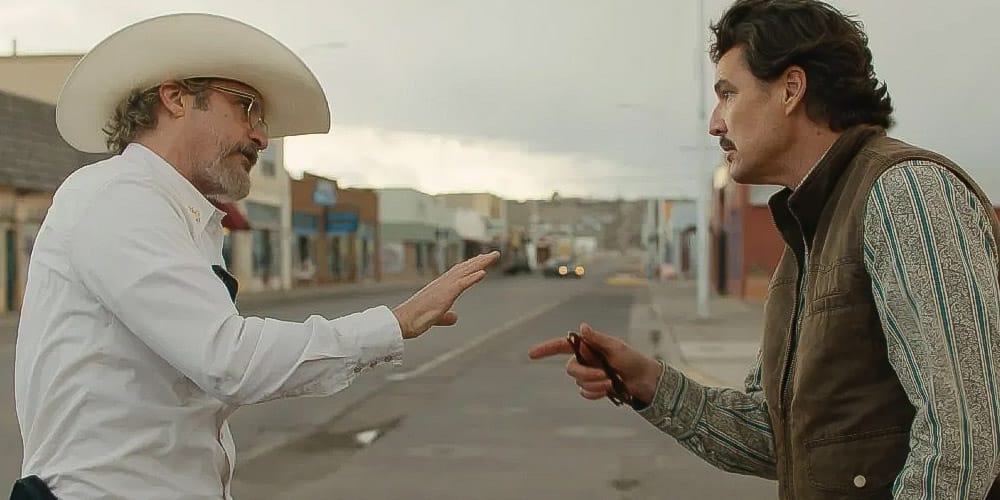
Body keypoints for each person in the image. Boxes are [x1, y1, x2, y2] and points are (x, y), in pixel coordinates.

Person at [11, 13, 499, 500]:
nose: (262, 137)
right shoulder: (119, 197)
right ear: (175, 98)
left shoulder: (178, 215)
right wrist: (394, 324)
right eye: (246, 108)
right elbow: (229, 359)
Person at [530, 0, 1000, 498]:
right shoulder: (808, 233)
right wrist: (648, 381)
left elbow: (964, 440)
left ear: (791, 90)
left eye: (728, 94)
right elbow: (778, 439)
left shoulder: (904, 193)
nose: (715, 123)